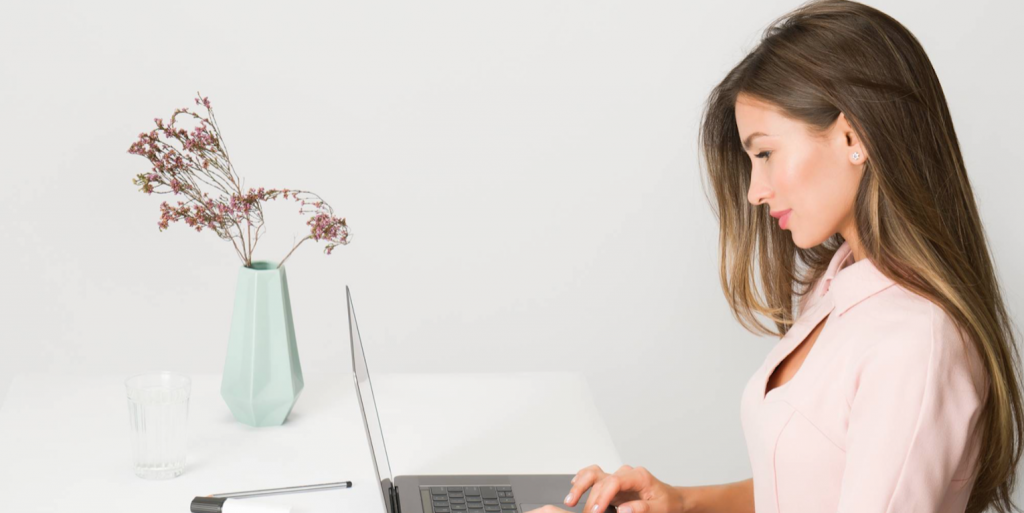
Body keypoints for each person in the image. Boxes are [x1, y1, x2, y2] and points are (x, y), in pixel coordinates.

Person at [527, 0, 1023, 512]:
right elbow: (800, 489)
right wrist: (678, 503)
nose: (753, 192)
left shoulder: (915, 344)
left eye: (764, 153)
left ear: (853, 135)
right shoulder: (836, 285)